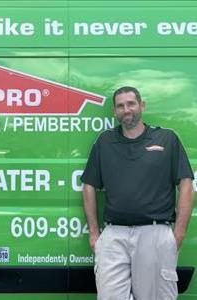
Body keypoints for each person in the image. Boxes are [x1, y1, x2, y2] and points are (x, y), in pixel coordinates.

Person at [81, 86, 195, 300]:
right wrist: (95, 234)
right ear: (115, 112)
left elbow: (186, 185)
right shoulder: (104, 142)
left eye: (131, 103)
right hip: (114, 235)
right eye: (120, 106)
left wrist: (177, 234)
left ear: (142, 105)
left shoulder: (166, 139)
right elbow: (88, 186)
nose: (126, 110)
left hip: (154, 233)